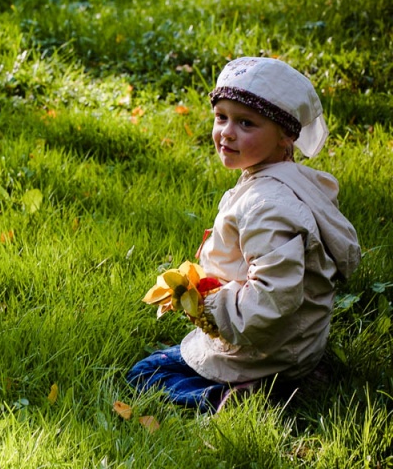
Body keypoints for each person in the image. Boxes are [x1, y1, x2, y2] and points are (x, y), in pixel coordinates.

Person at [126, 57, 361, 413]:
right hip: (295, 341)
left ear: (286, 134)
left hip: (270, 349)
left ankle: (235, 396)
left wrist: (210, 307)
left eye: (246, 123)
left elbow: (272, 299)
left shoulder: (268, 206)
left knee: (146, 374)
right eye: (221, 117)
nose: (227, 132)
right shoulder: (284, 179)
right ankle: (291, 377)